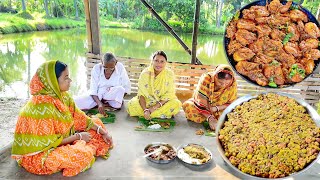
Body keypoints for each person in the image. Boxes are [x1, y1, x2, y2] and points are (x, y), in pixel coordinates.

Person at [11, 60, 113, 177]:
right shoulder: (39, 108)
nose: (70, 81)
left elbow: (79, 117)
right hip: (41, 153)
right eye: (66, 78)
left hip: (62, 138)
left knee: (96, 123)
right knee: (82, 156)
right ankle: (80, 145)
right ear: (53, 81)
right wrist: (78, 136)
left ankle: (80, 144)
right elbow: (51, 143)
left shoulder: (62, 96)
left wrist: (103, 132)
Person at [127, 50, 181, 119]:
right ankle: (161, 114)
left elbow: (169, 94)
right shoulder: (145, 73)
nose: (159, 64)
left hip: (162, 102)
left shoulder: (169, 74)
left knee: (176, 104)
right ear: (152, 61)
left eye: (162, 61)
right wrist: (145, 110)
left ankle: (150, 115)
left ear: (166, 63)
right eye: (156, 61)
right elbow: (141, 94)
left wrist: (154, 108)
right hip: (147, 101)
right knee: (131, 105)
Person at [182, 64, 237, 130]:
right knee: (188, 107)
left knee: (232, 116)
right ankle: (209, 119)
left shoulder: (233, 83)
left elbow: (232, 103)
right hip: (203, 107)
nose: (223, 86)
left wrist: (216, 108)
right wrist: (210, 117)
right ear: (215, 77)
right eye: (220, 82)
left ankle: (212, 120)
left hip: (219, 109)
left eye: (226, 83)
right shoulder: (207, 78)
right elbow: (200, 101)